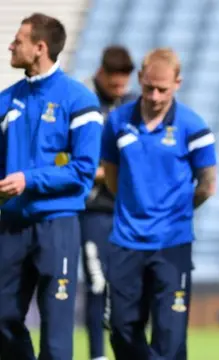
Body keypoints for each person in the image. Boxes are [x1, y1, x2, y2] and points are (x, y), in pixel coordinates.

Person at [101, 48, 217, 359]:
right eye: (148, 86)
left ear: (177, 83)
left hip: (172, 243)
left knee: (170, 335)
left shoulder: (194, 126)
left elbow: (206, 186)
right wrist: (135, 205)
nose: (153, 96)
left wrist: (174, 212)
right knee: (122, 329)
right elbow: (111, 176)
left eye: (162, 89)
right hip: (126, 240)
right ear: (139, 78)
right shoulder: (117, 122)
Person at [0, 13, 103, 360]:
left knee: (57, 330)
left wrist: (29, 179)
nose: (11, 45)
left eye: (19, 40)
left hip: (57, 225)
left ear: (40, 48)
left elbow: (84, 171)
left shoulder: (79, 100)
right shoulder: (6, 100)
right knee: (3, 317)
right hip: (11, 225)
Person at [81, 44, 137, 360]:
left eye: (123, 83)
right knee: (97, 285)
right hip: (94, 212)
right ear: (101, 74)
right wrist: (107, 172)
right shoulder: (85, 104)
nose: (119, 89)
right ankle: (97, 355)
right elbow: (72, 161)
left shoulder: (133, 105)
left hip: (127, 212)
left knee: (127, 287)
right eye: (114, 83)